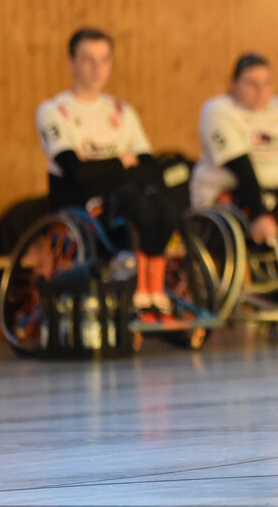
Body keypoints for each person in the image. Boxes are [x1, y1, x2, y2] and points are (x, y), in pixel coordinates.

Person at [35, 27, 176, 314]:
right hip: (79, 203)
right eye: (88, 60)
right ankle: (134, 285)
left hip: (121, 197)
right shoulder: (53, 110)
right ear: (71, 63)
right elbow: (74, 171)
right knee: (131, 200)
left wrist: (101, 168)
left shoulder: (122, 111)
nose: (97, 68)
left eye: (103, 60)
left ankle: (154, 289)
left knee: (161, 202)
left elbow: (149, 169)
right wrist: (120, 163)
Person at [190, 53, 278, 258]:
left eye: (267, 84)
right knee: (271, 217)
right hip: (230, 191)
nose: (261, 92)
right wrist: (258, 215)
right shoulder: (218, 111)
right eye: (252, 84)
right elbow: (241, 168)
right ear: (234, 84)